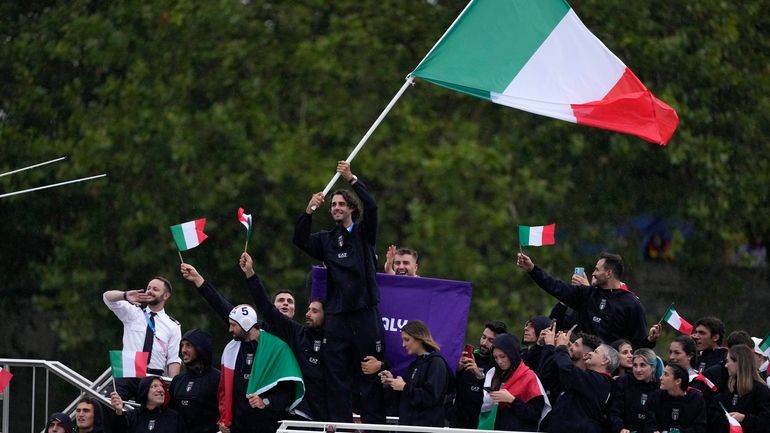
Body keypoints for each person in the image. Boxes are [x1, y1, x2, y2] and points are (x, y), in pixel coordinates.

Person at [293, 161, 385, 423]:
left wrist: (352, 179)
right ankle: (341, 426)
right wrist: (308, 212)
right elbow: (300, 240)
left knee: (368, 372)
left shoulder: (364, 234)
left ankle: (373, 427)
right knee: (336, 374)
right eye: (332, 205)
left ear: (351, 209)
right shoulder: (326, 240)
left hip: (364, 313)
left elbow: (374, 207)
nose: (335, 208)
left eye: (341, 204)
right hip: (338, 317)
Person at [181, 263, 302, 433]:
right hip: (240, 420)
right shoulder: (255, 330)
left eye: (290, 301)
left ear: (295, 309)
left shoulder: (298, 336)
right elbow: (222, 306)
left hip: (275, 418)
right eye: (280, 300)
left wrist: (266, 401)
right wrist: (198, 280)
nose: (285, 304)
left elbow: (288, 389)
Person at [239, 252, 327, 421]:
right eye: (280, 300)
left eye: (314, 311)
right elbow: (264, 306)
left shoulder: (330, 337)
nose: (308, 313)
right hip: (284, 413)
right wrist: (250, 273)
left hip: (321, 413)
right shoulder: (286, 332)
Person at [516, 252, 648, 349]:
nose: (593, 274)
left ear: (609, 273)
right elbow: (555, 287)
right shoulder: (587, 294)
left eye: (597, 269)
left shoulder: (632, 304)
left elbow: (640, 343)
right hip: (582, 365)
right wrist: (532, 269)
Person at [103, 278, 182, 400]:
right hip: (129, 371)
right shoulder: (133, 312)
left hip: (154, 376)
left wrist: (173, 386)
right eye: (148, 288)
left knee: (149, 415)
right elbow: (107, 298)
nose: (150, 291)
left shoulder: (173, 326)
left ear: (166, 295)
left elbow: (173, 359)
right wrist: (124, 295)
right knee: (107, 405)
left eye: (155, 289)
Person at [540, 325, 617, 433]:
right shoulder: (583, 377)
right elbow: (548, 377)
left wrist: (561, 347)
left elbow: (567, 369)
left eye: (596, 352)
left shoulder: (600, 382)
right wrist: (548, 347)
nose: (590, 353)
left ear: (605, 361)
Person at [379, 320, 452, 427]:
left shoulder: (436, 363)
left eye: (407, 340)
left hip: (425, 428)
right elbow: (408, 395)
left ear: (419, 339)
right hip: (408, 427)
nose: (403, 345)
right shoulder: (414, 365)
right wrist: (392, 382)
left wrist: (404, 387)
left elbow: (431, 397)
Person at [478, 333, 550, 431]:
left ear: (512, 354)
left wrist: (512, 400)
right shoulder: (495, 374)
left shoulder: (529, 377)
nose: (499, 361)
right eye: (495, 357)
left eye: (502, 356)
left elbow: (534, 416)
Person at [448, 320, 508, 428]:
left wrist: (479, 375)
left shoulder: (501, 367)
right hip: (456, 423)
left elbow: (490, 401)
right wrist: (457, 370)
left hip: (481, 425)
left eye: (491, 340)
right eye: (483, 337)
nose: (484, 343)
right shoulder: (469, 357)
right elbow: (449, 388)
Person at [708, 344, 770, 433]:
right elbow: (714, 414)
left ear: (739, 363)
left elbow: (765, 421)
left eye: (728, 361)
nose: (726, 365)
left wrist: (744, 418)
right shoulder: (727, 387)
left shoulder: (761, 390)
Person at [168, 328, 220, 433]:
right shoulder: (177, 381)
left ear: (201, 348)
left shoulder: (218, 379)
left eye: (189, 345)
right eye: (182, 345)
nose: (183, 350)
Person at [609, 348, 661, 433]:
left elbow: (657, 418)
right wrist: (620, 428)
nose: (638, 370)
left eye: (642, 365)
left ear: (653, 367)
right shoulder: (623, 382)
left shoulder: (659, 388)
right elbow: (614, 411)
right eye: (635, 365)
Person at [643, 364, 706, 433]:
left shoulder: (696, 398)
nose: (661, 377)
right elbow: (649, 422)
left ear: (678, 381)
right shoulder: (655, 396)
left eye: (666, 374)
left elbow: (700, 427)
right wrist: (653, 431)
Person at [109, 376, 184, 433]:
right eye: (154, 386)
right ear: (144, 391)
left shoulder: (174, 417)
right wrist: (118, 412)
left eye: (161, 386)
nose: (161, 390)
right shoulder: (132, 416)